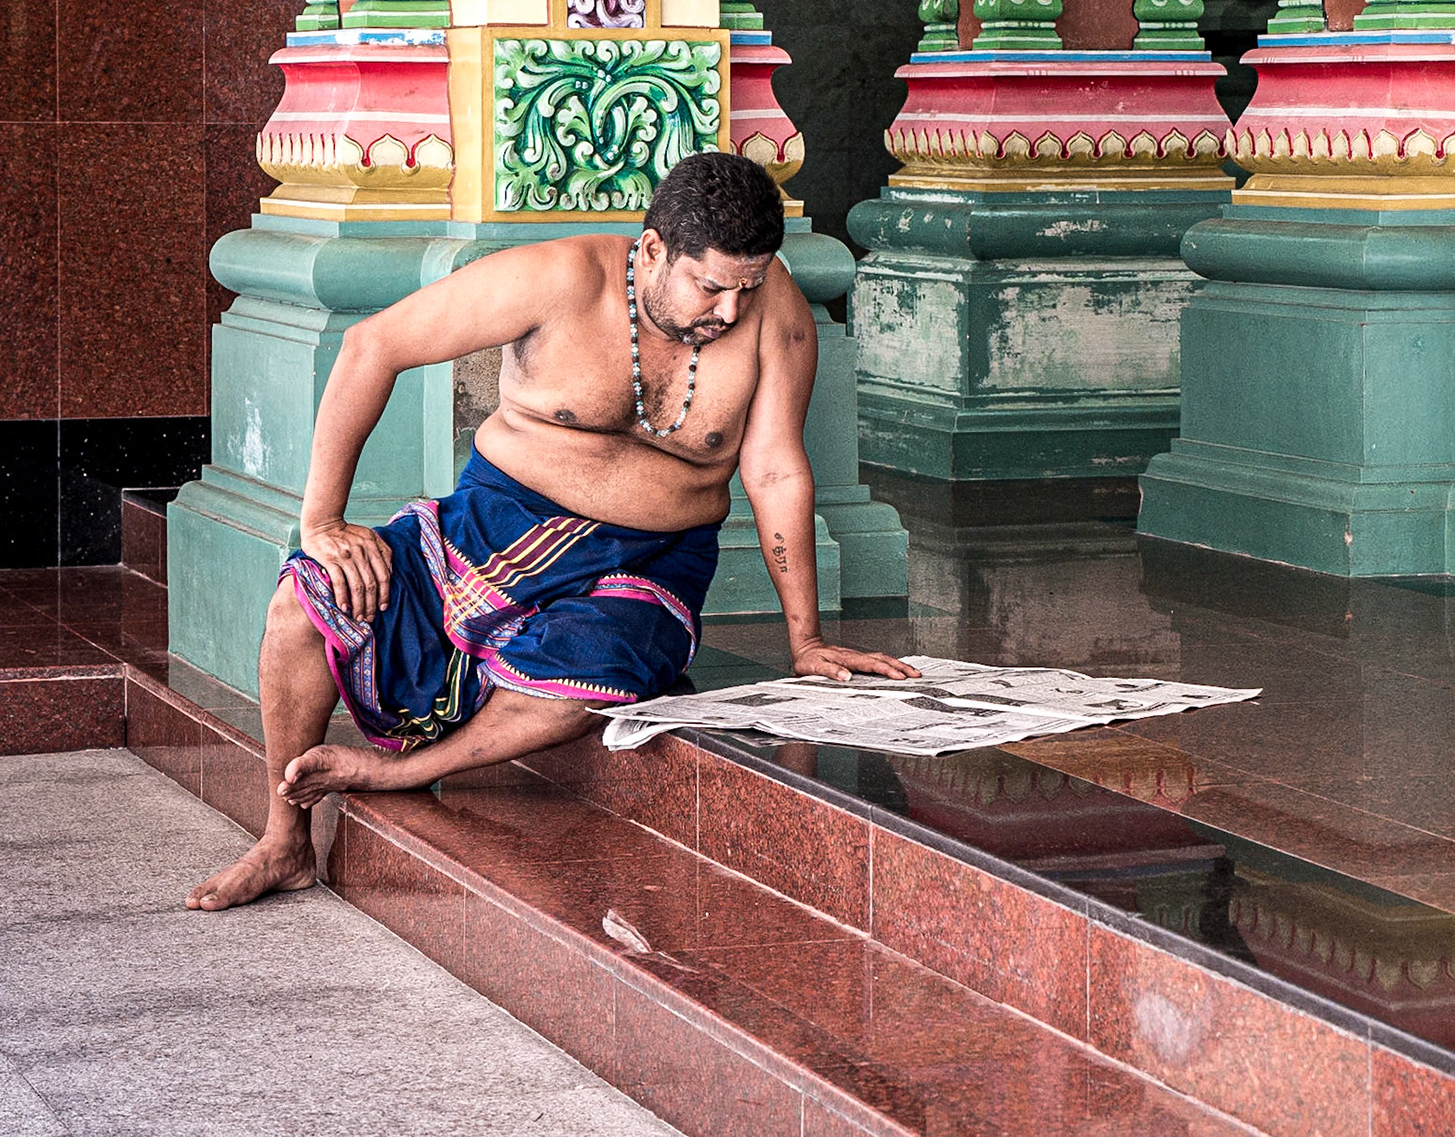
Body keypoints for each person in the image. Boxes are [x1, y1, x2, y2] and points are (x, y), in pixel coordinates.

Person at [187, 152, 917, 912]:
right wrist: (323, 520)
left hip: (647, 562)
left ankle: (398, 770)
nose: (729, 312)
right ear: (656, 248)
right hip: (490, 526)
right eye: (711, 287)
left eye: (748, 286)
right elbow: (374, 345)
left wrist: (806, 640)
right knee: (302, 605)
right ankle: (283, 840)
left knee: (594, 675)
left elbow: (774, 473)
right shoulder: (558, 279)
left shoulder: (774, 316)